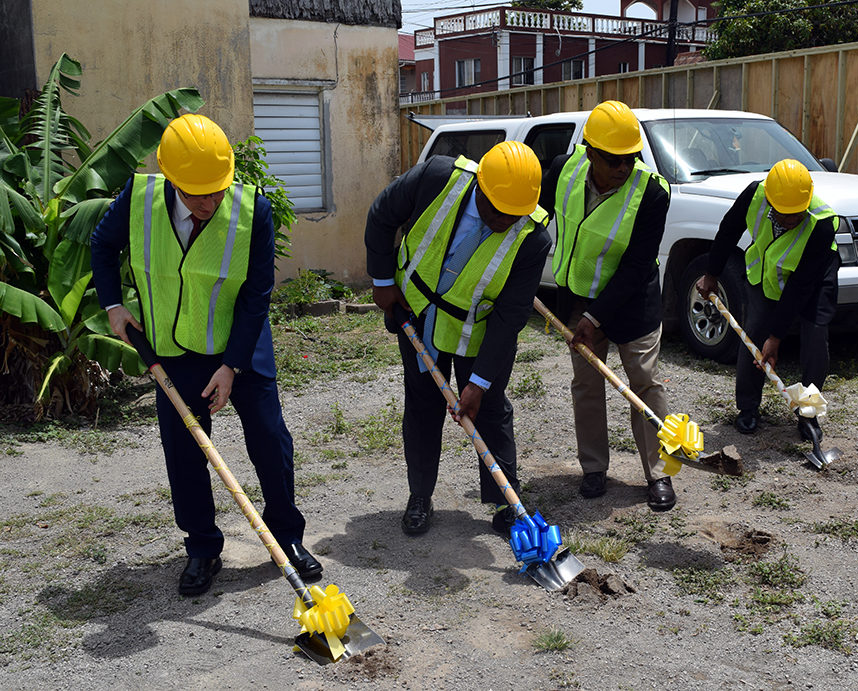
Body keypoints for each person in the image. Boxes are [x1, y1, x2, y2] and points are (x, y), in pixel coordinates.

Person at [91, 114, 321, 596]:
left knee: (271, 440)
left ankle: (287, 537)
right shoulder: (138, 200)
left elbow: (257, 294)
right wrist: (113, 304)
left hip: (241, 347)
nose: (209, 203)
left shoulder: (253, 210)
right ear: (171, 177)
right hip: (174, 351)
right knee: (185, 452)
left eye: (217, 190)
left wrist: (231, 366)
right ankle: (202, 547)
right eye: (197, 194)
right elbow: (102, 244)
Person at [364, 141, 551, 537]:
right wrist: (383, 282)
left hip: (478, 332)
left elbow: (510, 316)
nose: (505, 220)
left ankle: (506, 502)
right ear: (480, 186)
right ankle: (420, 496)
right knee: (422, 404)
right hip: (417, 314)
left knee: (491, 409)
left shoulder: (533, 238)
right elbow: (381, 215)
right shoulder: (436, 178)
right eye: (497, 210)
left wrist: (478, 383)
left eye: (514, 214)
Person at [538, 100, 675, 512]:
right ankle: (594, 468)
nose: (623, 167)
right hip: (576, 297)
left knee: (645, 383)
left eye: (631, 158)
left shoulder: (652, 193)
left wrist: (595, 317)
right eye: (614, 159)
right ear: (590, 152)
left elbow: (636, 265)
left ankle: (659, 472)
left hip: (633, 303)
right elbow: (534, 218)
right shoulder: (563, 170)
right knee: (586, 385)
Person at [696, 158, 839, 441]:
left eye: (797, 213)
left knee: (815, 340)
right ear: (771, 201)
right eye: (785, 214)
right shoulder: (754, 195)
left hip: (813, 282)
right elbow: (729, 230)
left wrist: (777, 337)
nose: (792, 220)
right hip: (765, 276)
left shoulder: (822, 223)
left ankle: (808, 415)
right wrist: (712, 273)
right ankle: (748, 408)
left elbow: (800, 286)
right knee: (754, 336)